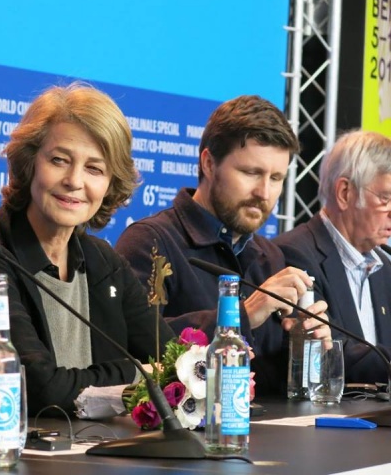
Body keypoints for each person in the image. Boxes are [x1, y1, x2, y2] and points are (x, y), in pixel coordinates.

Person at [0, 83, 174, 414]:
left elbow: (172, 360)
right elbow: (39, 388)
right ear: (29, 163)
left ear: (109, 184)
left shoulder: (104, 263)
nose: (75, 180)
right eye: (59, 160)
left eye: (94, 168)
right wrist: (140, 375)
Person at [115, 95, 331, 395]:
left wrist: (302, 346)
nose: (263, 192)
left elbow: (269, 384)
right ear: (208, 163)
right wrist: (241, 316)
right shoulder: (150, 242)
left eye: (276, 178)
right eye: (251, 173)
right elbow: (133, 348)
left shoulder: (272, 257)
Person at [274, 130, 391, 384]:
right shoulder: (293, 255)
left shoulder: (386, 267)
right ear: (345, 193)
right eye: (386, 198)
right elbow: (327, 348)